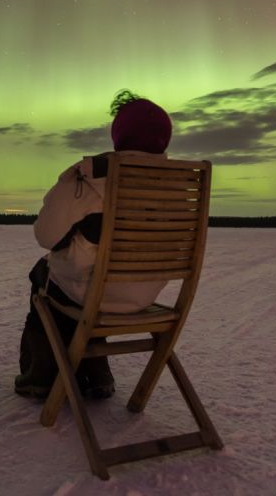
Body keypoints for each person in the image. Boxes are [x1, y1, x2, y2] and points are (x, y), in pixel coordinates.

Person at [14, 89, 173, 400]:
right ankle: (96, 371)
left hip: (95, 296)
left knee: (44, 277)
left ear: (119, 136)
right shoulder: (178, 186)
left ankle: (43, 375)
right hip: (143, 295)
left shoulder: (92, 177)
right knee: (84, 288)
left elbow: (45, 236)